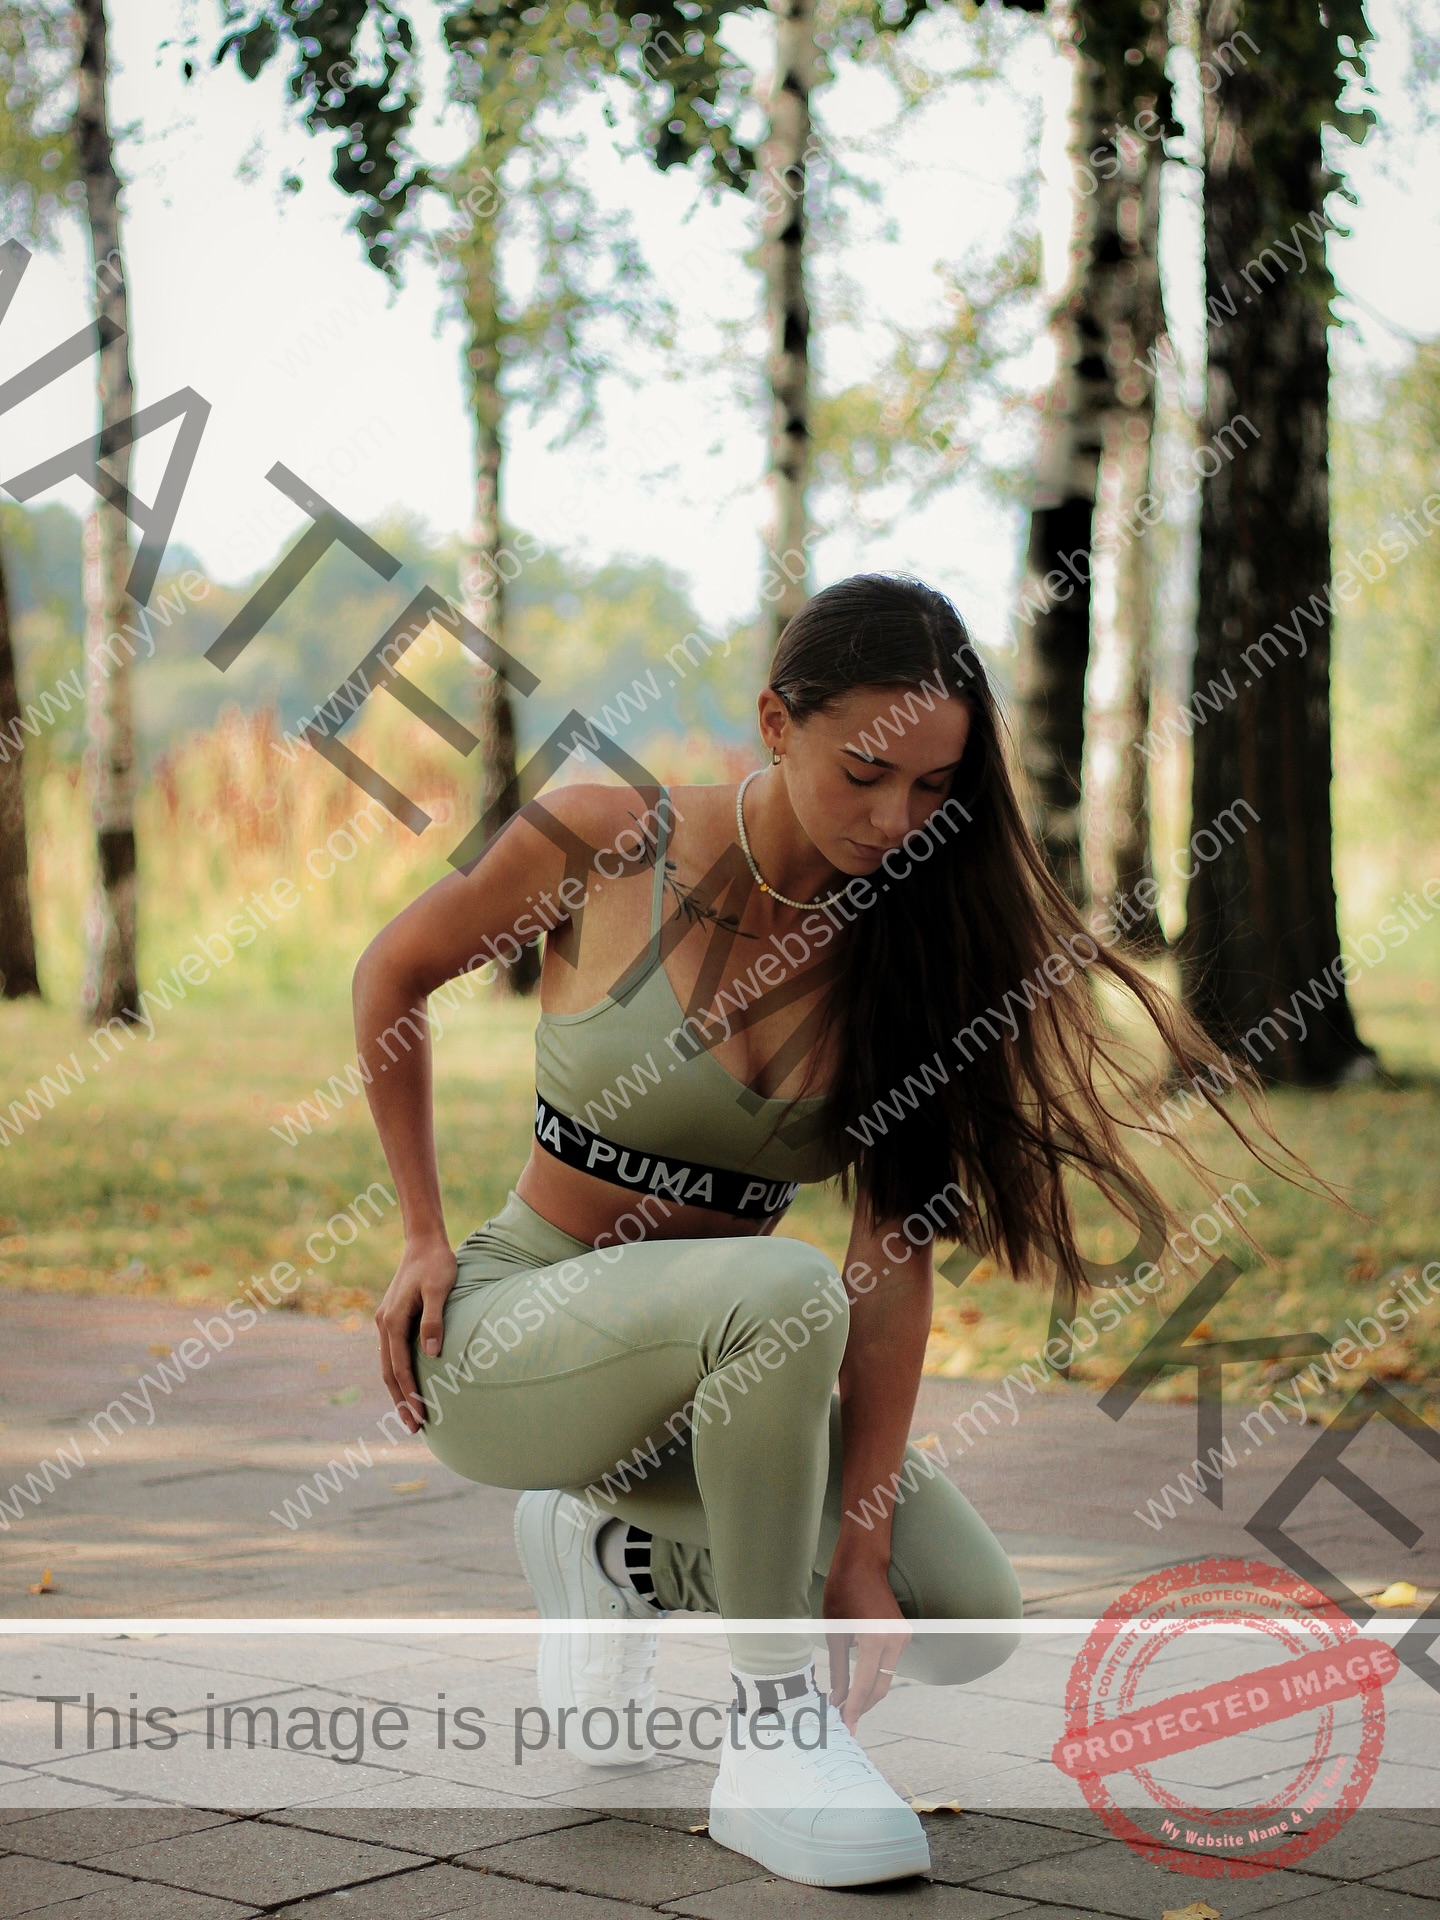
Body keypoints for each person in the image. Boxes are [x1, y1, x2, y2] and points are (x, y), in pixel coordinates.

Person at [353, 573, 1292, 1888]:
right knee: (784, 1293)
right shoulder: (604, 838)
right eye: (864, 772)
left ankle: (610, 1545)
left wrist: (856, 1550)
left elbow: (890, 1261)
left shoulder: (915, 949)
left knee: (961, 1615)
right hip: (518, 1326)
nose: (894, 818)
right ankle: (773, 1733)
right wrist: (419, 1231)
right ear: (774, 722)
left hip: (742, 1378)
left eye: (931, 789)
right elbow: (392, 970)